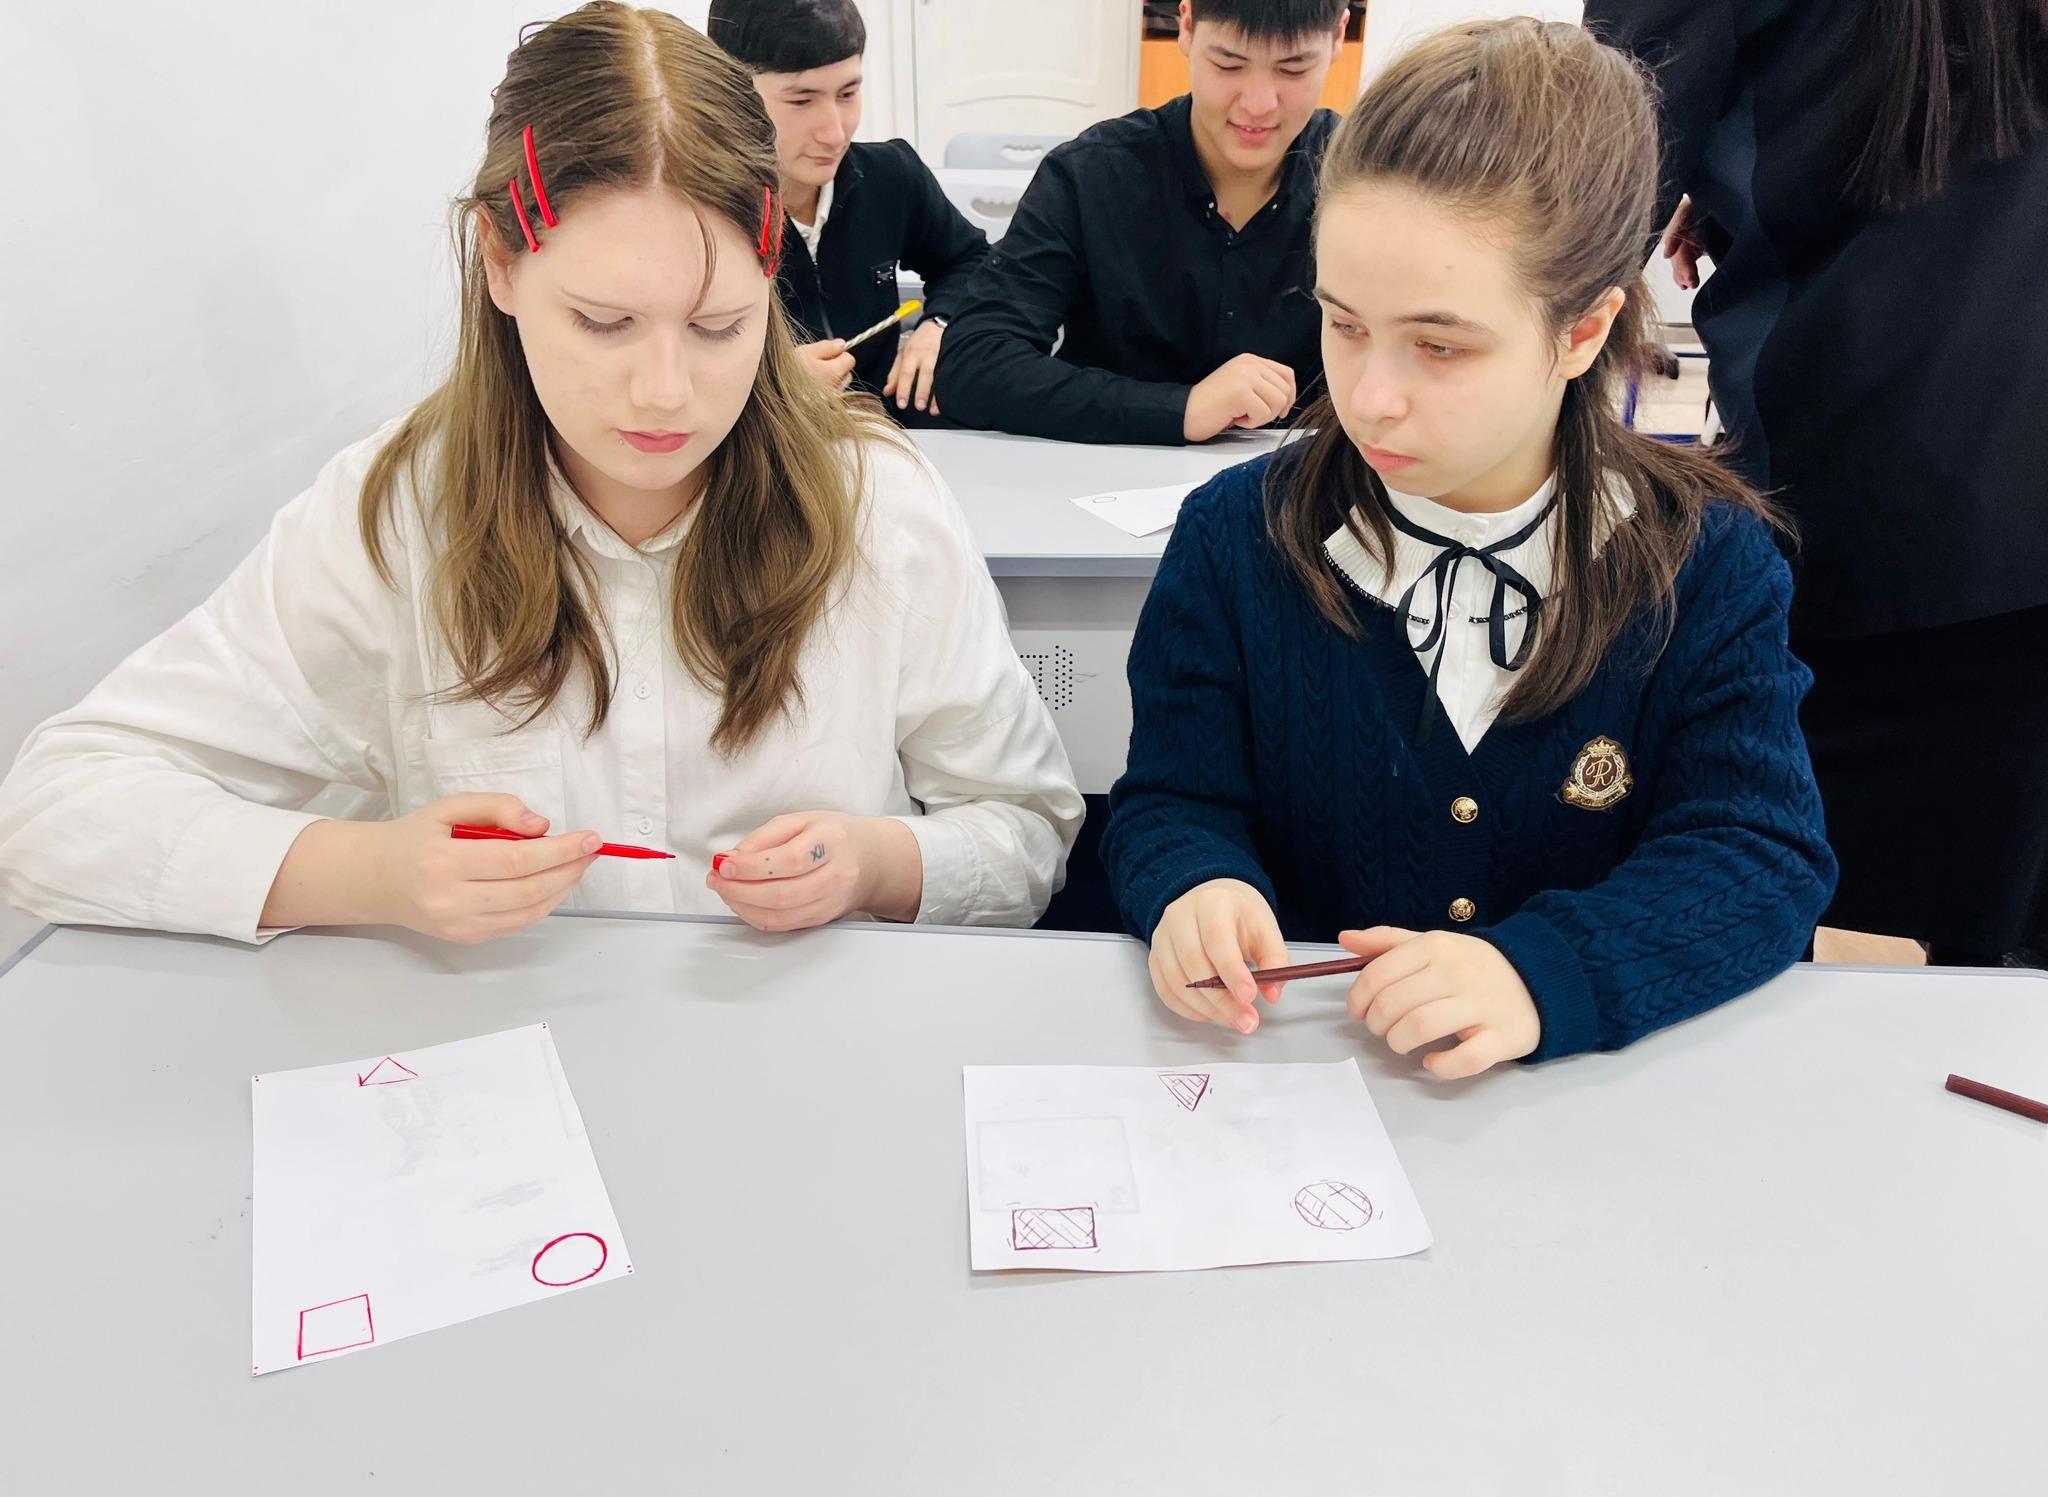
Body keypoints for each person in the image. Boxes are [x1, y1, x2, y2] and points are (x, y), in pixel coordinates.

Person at [0, 3, 1082, 945]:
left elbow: (1028, 829)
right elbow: (56, 810)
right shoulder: (396, 515)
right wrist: (371, 873)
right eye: (604, 323)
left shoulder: (876, 504)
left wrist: (882, 865)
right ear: (501, 263)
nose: (666, 394)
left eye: (720, 325)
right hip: (494, 1069)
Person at [1101, 19, 1837, 1077]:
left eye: (1439, 346)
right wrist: (1193, 885)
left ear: (1581, 333)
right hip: (1299, 1094)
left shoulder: (1703, 562)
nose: (1369, 397)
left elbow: (1758, 854)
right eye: (1343, 324)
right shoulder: (1235, 537)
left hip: (1583, 1116)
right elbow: (1173, 800)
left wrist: (1544, 973)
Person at [1584, 0, 2048, 968]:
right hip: (1972, 517)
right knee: (1984, 986)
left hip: (1888, 525)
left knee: (1834, 972)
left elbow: (1567, 202)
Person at [935, 0, 1349, 445]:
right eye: (1228, 65)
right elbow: (973, 364)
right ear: (1186, 26)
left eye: (1293, 69)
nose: (1258, 105)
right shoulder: (1092, 173)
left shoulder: (1365, 177)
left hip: (1303, 475)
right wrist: (1180, 408)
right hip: (1103, 469)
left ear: (1338, 38)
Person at [707, 0, 990, 422]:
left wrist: (940, 325)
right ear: (731, 93)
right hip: (763, 440)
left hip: (887, 433)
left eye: (848, 94)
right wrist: (770, 379)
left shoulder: (890, 175)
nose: (835, 132)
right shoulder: (701, 211)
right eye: (801, 101)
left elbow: (971, 260)